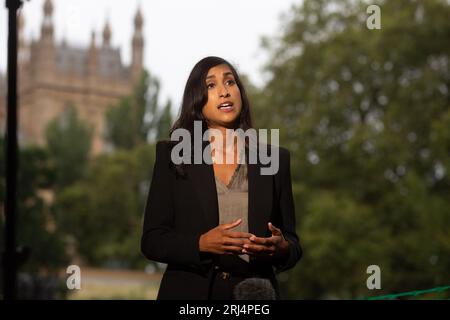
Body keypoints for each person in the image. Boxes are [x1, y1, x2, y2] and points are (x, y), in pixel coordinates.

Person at [141, 56, 302, 300]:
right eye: (211, 86)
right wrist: (200, 244)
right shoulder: (173, 157)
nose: (224, 92)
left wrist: (282, 248)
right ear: (197, 99)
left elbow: (293, 244)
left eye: (230, 82)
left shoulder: (275, 159)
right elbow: (152, 241)